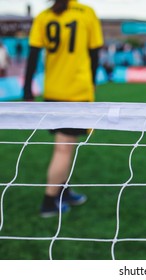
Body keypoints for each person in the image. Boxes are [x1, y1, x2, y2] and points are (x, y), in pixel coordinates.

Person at [23, 0, 104, 217]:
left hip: (52, 90)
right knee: (64, 148)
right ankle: (49, 201)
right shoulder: (87, 13)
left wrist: (27, 90)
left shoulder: (45, 15)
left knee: (65, 145)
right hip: (77, 92)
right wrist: (92, 86)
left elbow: (32, 55)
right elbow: (94, 54)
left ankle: (63, 189)